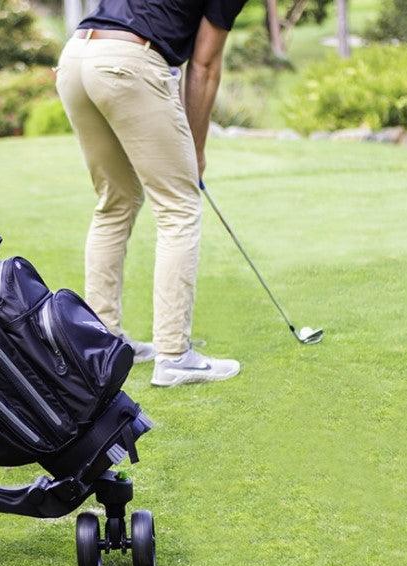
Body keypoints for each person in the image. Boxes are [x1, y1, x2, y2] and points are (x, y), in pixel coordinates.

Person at [55, 0, 248, 387]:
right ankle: (175, 355)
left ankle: (102, 343)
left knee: (115, 202)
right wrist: (195, 150)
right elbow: (205, 65)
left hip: (76, 56)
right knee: (179, 207)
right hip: (126, 60)